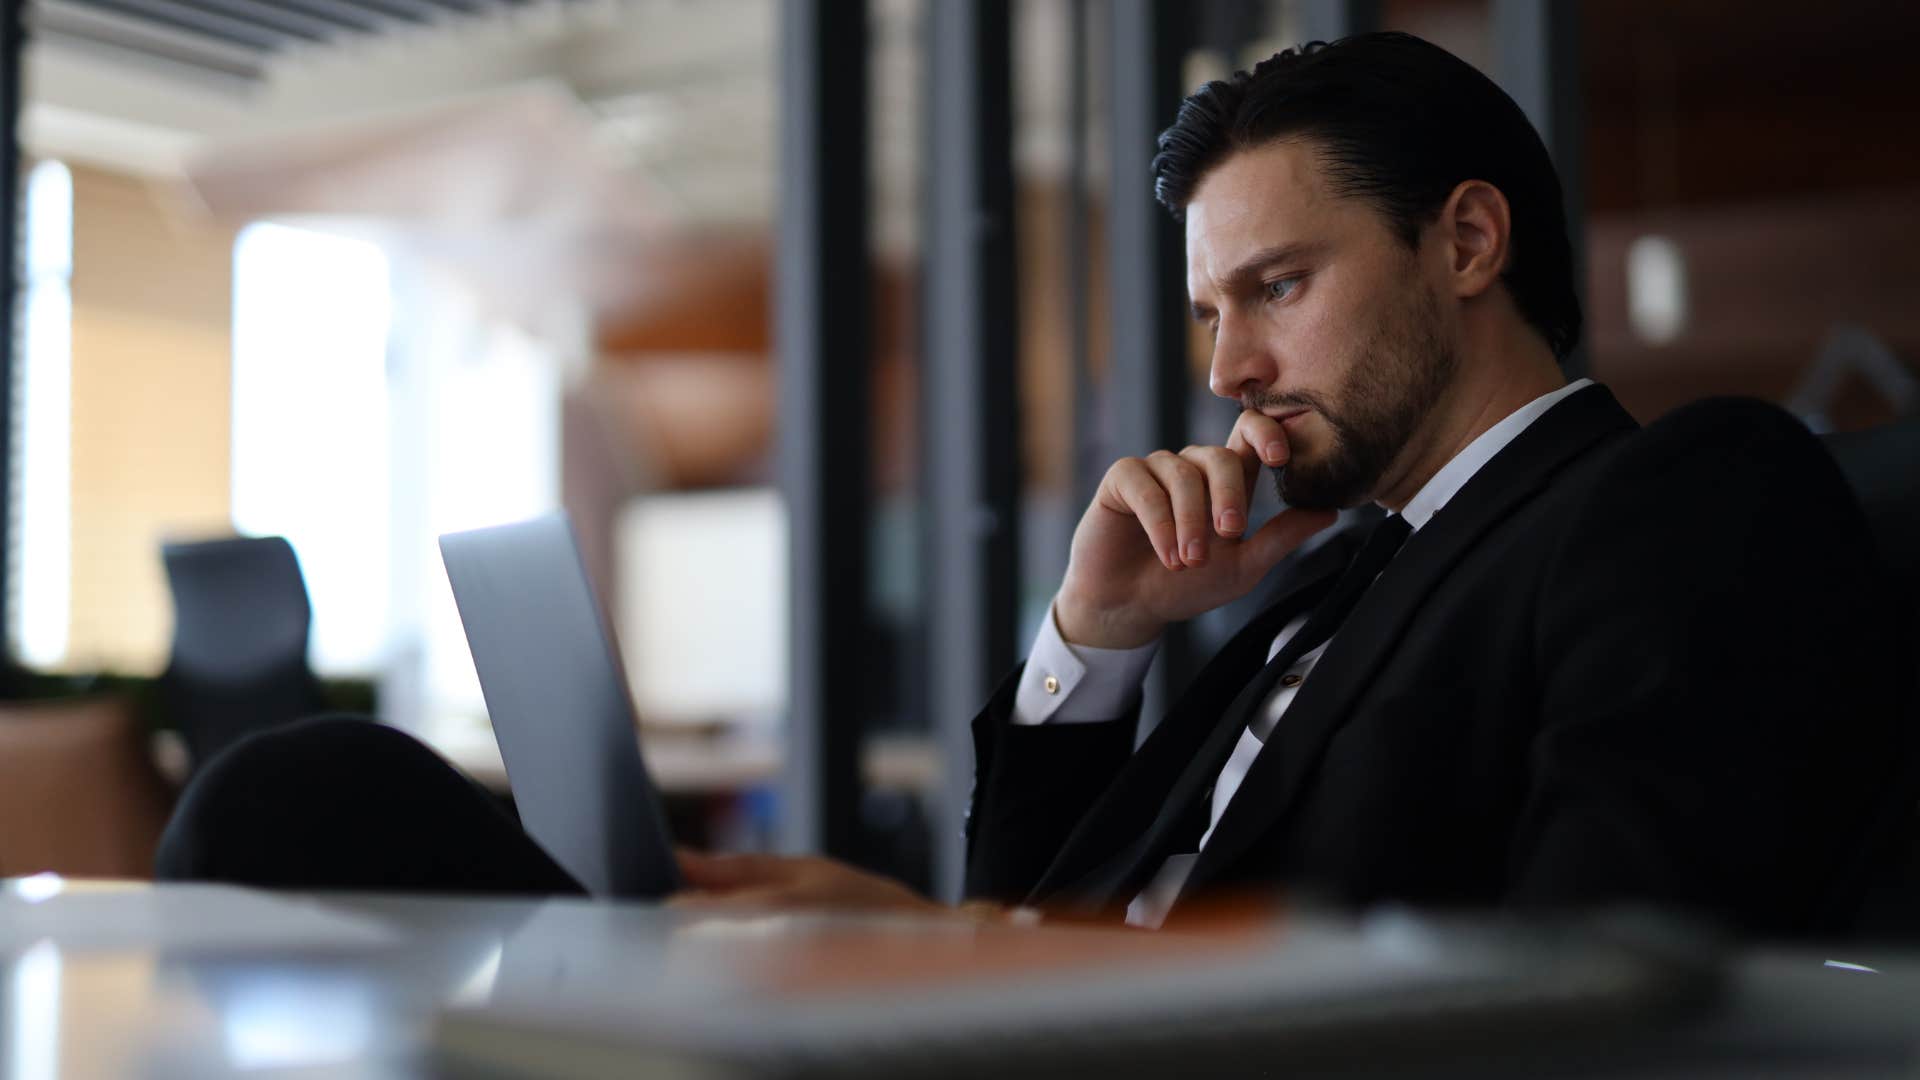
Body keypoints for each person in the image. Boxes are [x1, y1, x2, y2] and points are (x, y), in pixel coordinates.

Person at [157, 32, 1910, 938]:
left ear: (1467, 239)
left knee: (295, 814)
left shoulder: (1682, 496)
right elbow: (1060, 895)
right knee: (305, 805)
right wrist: (1094, 638)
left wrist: (955, 953)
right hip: (1000, 1019)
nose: (1223, 368)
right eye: (1213, 309)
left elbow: (1592, 976)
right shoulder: (1318, 574)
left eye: (1277, 290)